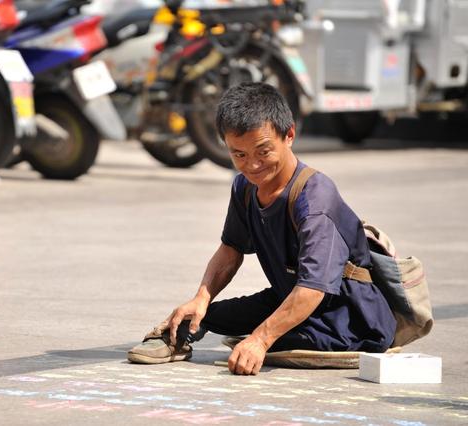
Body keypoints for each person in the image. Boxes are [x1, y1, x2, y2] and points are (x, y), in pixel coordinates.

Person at [127, 82, 396, 375]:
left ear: (289, 134)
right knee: (202, 316)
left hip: (345, 317)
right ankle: (177, 337)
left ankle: (270, 336)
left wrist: (261, 338)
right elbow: (231, 249)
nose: (252, 165)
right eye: (238, 155)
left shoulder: (315, 198)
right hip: (287, 295)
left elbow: (313, 288)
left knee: (268, 341)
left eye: (263, 151)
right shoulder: (245, 187)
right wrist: (202, 298)